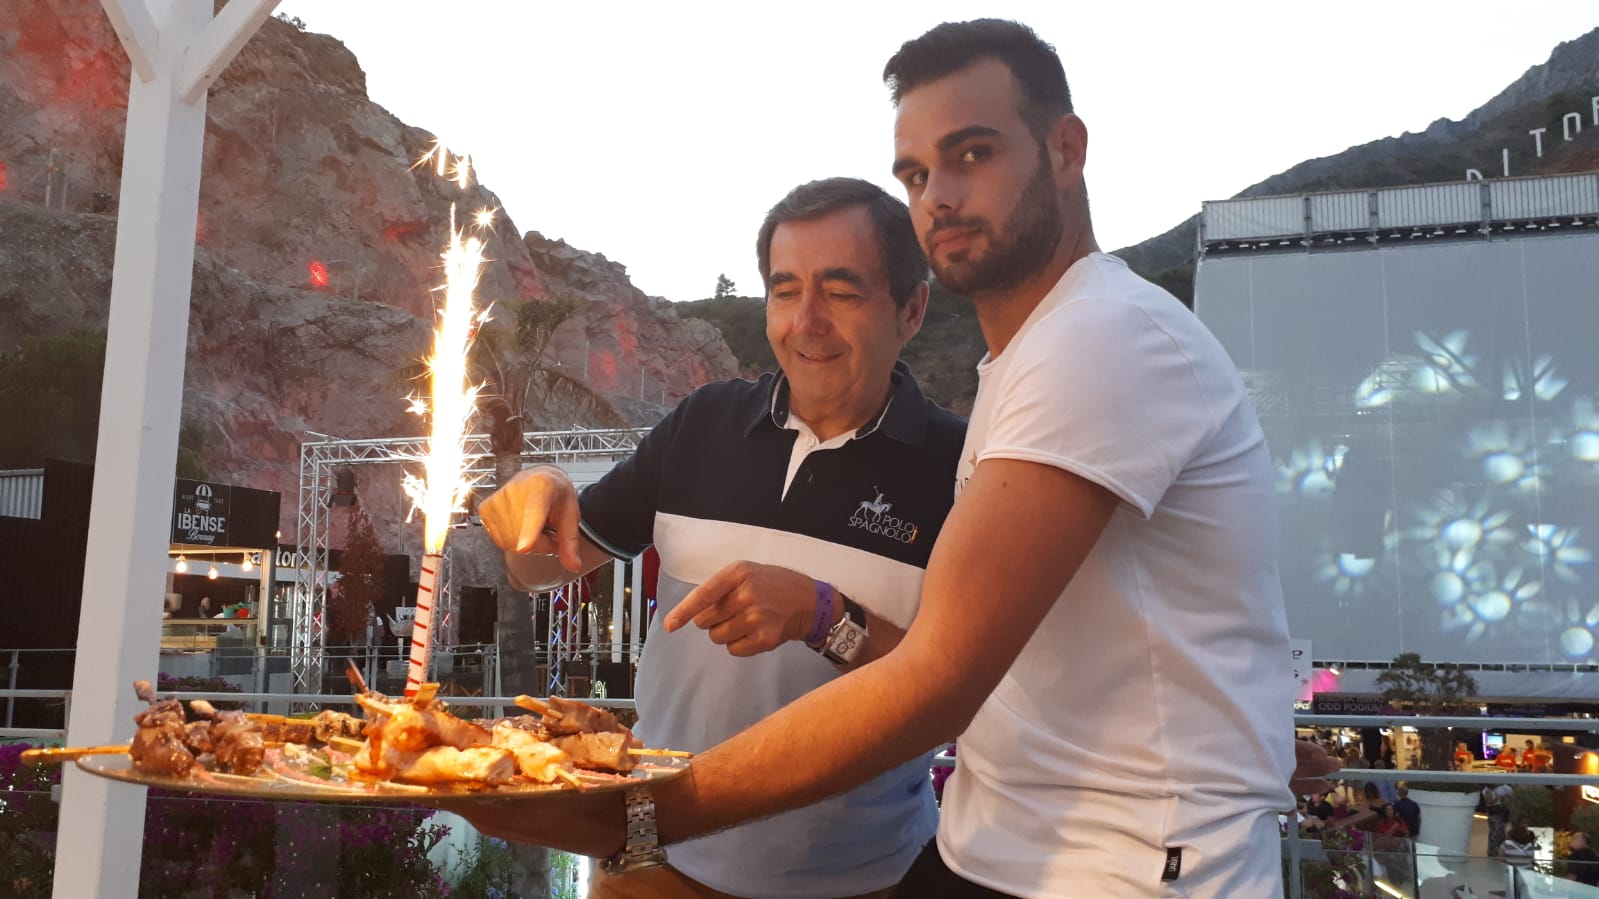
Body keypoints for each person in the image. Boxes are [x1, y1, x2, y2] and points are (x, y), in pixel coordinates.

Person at [462, 18, 1320, 896]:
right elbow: (1035, 653)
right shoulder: (1008, 374)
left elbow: (939, 675)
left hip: (1096, 867)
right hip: (980, 849)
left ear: (1065, 149)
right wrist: (539, 493)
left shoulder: (1098, 340)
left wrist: (636, 812)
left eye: (972, 154)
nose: (938, 195)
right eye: (915, 173)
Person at [478, 176, 964, 898]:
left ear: (911, 309)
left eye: (841, 292)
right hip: (651, 864)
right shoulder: (704, 422)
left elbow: (964, 686)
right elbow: (544, 568)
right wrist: (532, 503)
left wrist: (824, 615)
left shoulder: (961, 468)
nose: (806, 322)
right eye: (785, 291)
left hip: (863, 880)